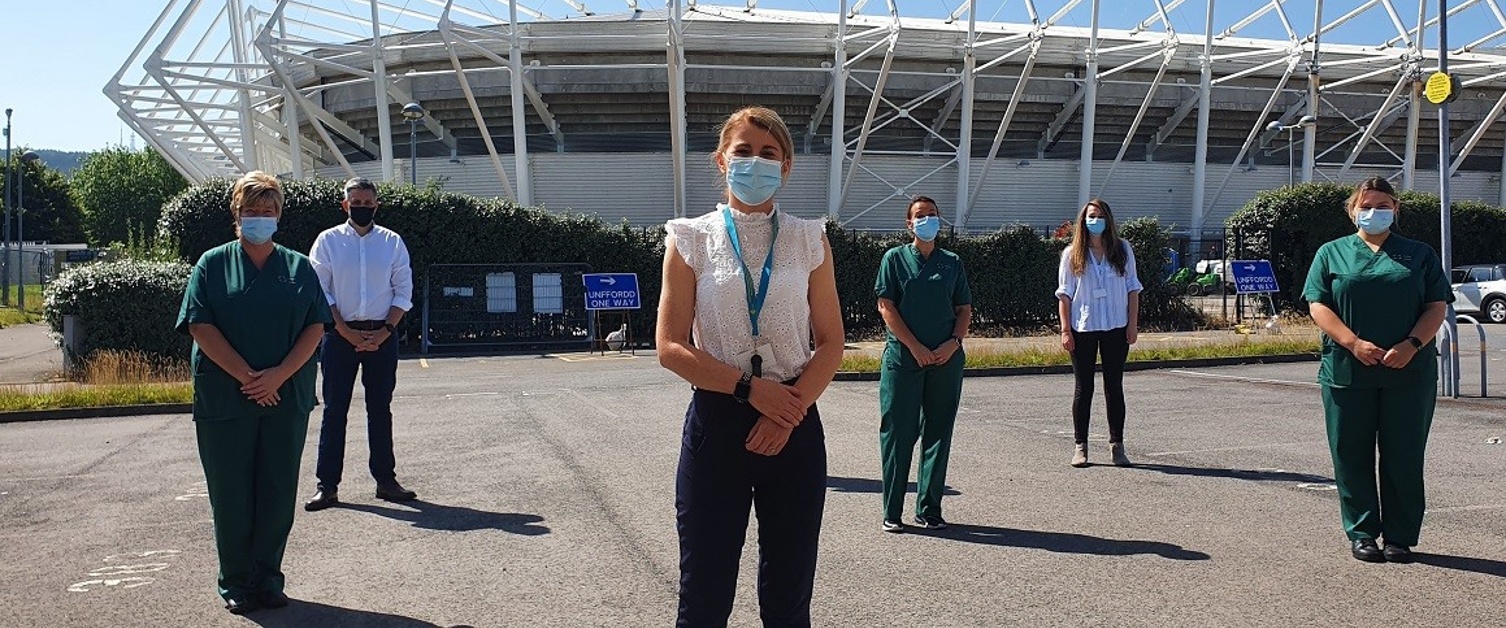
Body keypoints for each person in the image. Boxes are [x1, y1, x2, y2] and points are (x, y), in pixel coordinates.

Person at [656, 106, 844, 627]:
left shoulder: (810, 239)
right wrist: (749, 391)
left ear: (785, 167)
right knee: (704, 595)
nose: (755, 163)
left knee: (788, 596)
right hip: (718, 420)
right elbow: (670, 346)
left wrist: (788, 409)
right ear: (722, 160)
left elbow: (831, 342)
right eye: (743, 152)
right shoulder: (690, 238)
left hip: (794, 419)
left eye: (769, 154)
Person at [176, 171, 331, 614]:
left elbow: (316, 325)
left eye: (268, 211)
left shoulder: (299, 267)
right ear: (236, 214)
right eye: (251, 211)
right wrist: (250, 377)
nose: (260, 217)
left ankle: (269, 579)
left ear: (279, 215)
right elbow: (199, 325)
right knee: (231, 494)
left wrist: (278, 376)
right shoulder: (212, 264)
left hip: (286, 397)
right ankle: (237, 583)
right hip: (226, 399)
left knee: (278, 491)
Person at [1301, 176, 1450, 563]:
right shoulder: (1331, 253)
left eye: (1382, 206)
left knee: (1404, 454)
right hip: (1348, 370)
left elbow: (1437, 306)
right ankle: (1363, 531)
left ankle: (1400, 536)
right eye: (1365, 206)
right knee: (1350, 452)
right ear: (1352, 211)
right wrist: (1352, 342)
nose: (1373, 213)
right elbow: (1318, 305)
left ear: (1395, 210)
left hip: (1408, 372)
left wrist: (1411, 345)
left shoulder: (1419, 254)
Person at [304, 177, 417, 511]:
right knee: (334, 410)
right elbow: (320, 290)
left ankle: (386, 481)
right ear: (344, 204)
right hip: (339, 336)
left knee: (379, 409)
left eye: (368, 203)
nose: (362, 208)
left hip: (383, 334)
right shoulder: (327, 242)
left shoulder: (392, 243)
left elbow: (403, 290)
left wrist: (384, 331)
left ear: (376, 205)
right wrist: (343, 330)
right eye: (356, 202)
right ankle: (327, 486)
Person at [874, 195, 972, 533]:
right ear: (909, 223)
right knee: (898, 433)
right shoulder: (895, 259)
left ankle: (930, 508)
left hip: (945, 359)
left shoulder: (951, 262)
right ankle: (892, 510)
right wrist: (914, 346)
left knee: (938, 432)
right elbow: (886, 306)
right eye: (920, 215)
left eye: (932, 214)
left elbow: (963, 309)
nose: (927, 220)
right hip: (904, 359)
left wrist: (953, 344)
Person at [1055, 198, 1142, 468]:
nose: (1096, 220)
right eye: (1091, 215)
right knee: (1084, 387)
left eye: (1101, 215)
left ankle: (1117, 445)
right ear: (1083, 220)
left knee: (1114, 386)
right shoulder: (1072, 254)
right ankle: (1080, 446)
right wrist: (1066, 330)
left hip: (1116, 327)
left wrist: (1132, 324)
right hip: (1084, 328)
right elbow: (1065, 295)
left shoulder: (1123, 249)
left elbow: (1133, 289)